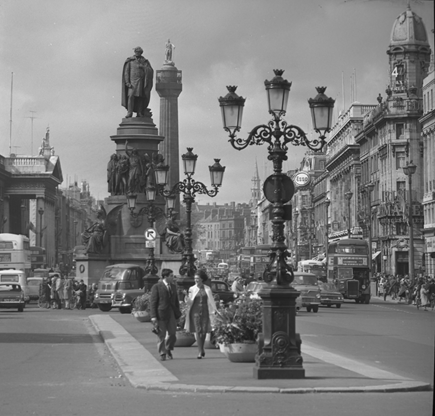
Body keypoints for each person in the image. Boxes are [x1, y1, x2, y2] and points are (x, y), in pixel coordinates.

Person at [149, 269, 181, 361]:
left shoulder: (174, 287)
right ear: (165, 277)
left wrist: (177, 314)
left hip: (171, 313)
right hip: (161, 314)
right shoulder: (157, 287)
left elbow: (176, 302)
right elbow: (153, 302)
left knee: (172, 334)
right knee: (161, 335)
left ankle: (168, 348)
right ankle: (162, 353)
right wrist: (153, 316)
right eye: (171, 276)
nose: (173, 277)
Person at [185, 270, 217, 359]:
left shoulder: (207, 289)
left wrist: (214, 311)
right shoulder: (192, 289)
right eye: (195, 279)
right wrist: (186, 299)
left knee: (203, 331)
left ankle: (202, 348)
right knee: (198, 331)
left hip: (205, 311)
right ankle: (199, 351)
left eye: (198, 279)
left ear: (202, 279)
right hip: (195, 311)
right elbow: (190, 301)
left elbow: (211, 301)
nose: (196, 280)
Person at [122, 46, 154, 118]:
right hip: (132, 83)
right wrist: (127, 82)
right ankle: (129, 112)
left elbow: (150, 70)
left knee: (140, 97)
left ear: (141, 53)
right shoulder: (130, 61)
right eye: (136, 51)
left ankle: (139, 112)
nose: (137, 53)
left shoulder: (145, 61)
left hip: (141, 82)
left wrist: (144, 67)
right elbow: (126, 72)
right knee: (131, 96)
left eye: (139, 52)